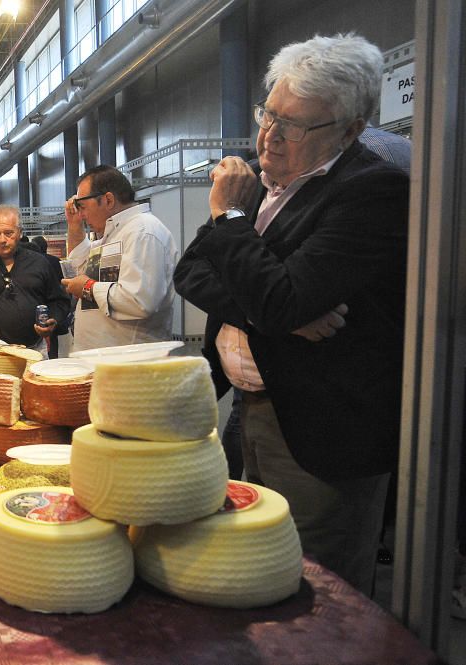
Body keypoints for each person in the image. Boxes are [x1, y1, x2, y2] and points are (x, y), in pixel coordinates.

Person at [173, 34, 409, 596]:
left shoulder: (371, 191)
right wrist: (275, 313)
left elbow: (278, 297)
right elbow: (192, 274)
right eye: (269, 114)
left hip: (322, 425)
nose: (270, 136)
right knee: (268, 564)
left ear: (351, 130)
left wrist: (229, 214)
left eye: (295, 125)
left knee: (321, 586)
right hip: (257, 407)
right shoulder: (268, 185)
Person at [61, 165, 178, 352]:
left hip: (130, 362)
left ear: (108, 200)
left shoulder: (142, 231)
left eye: (83, 207)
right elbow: (81, 267)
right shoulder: (114, 232)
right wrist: (74, 225)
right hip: (106, 359)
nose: (82, 215)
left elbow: (139, 301)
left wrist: (89, 288)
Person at [0, 205, 70, 355]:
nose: (2, 239)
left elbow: (59, 301)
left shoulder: (39, 263)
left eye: (8, 233)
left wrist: (53, 320)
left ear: (20, 233)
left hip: (34, 349)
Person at [30, 235, 68, 359]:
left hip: (38, 313)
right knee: (52, 338)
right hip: (53, 308)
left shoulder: (33, 264)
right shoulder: (56, 261)